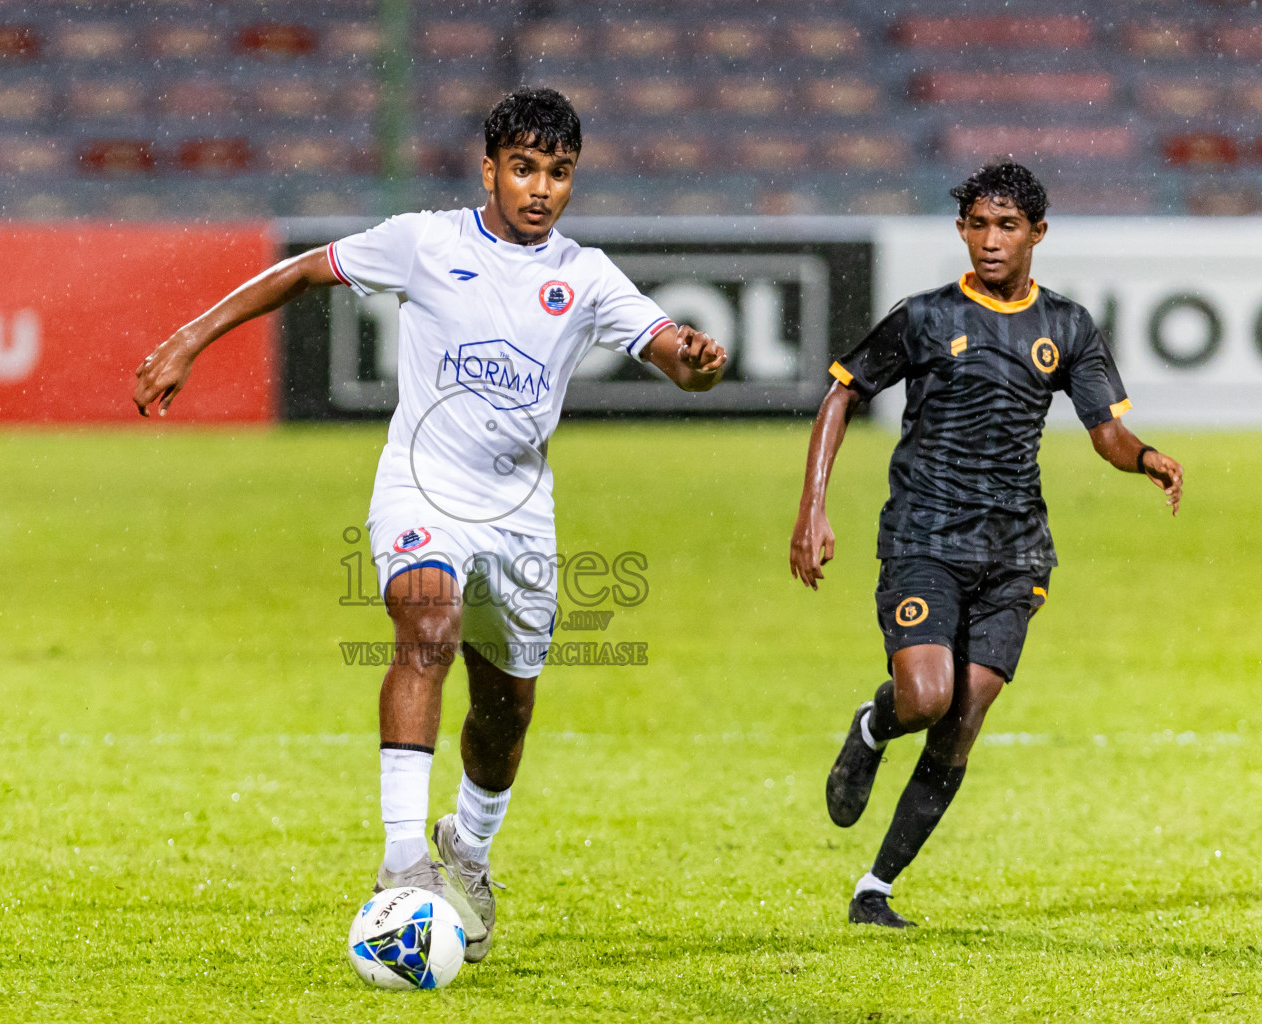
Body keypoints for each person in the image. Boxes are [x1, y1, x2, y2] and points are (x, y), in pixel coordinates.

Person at [133, 88, 726, 960]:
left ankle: (467, 850)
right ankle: (404, 860)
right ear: (489, 169)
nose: (540, 188)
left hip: (522, 514)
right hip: (424, 490)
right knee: (427, 628)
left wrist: (700, 362)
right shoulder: (423, 241)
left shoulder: (588, 275)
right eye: (523, 168)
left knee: (506, 712)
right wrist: (191, 336)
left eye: (558, 174)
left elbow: (674, 355)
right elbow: (301, 271)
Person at [788, 161, 1184, 928]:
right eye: (977, 224)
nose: (990, 239)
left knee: (963, 715)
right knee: (926, 697)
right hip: (925, 537)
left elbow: (1105, 431)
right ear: (961, 229)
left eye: (1007, 226)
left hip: (1016, 552)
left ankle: (877, 888)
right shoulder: (927, 316)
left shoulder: (1066, 326)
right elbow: (842, 393)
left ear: (1037, 233)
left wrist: (1144, 457)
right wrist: (813, 510)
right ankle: (875, 725)